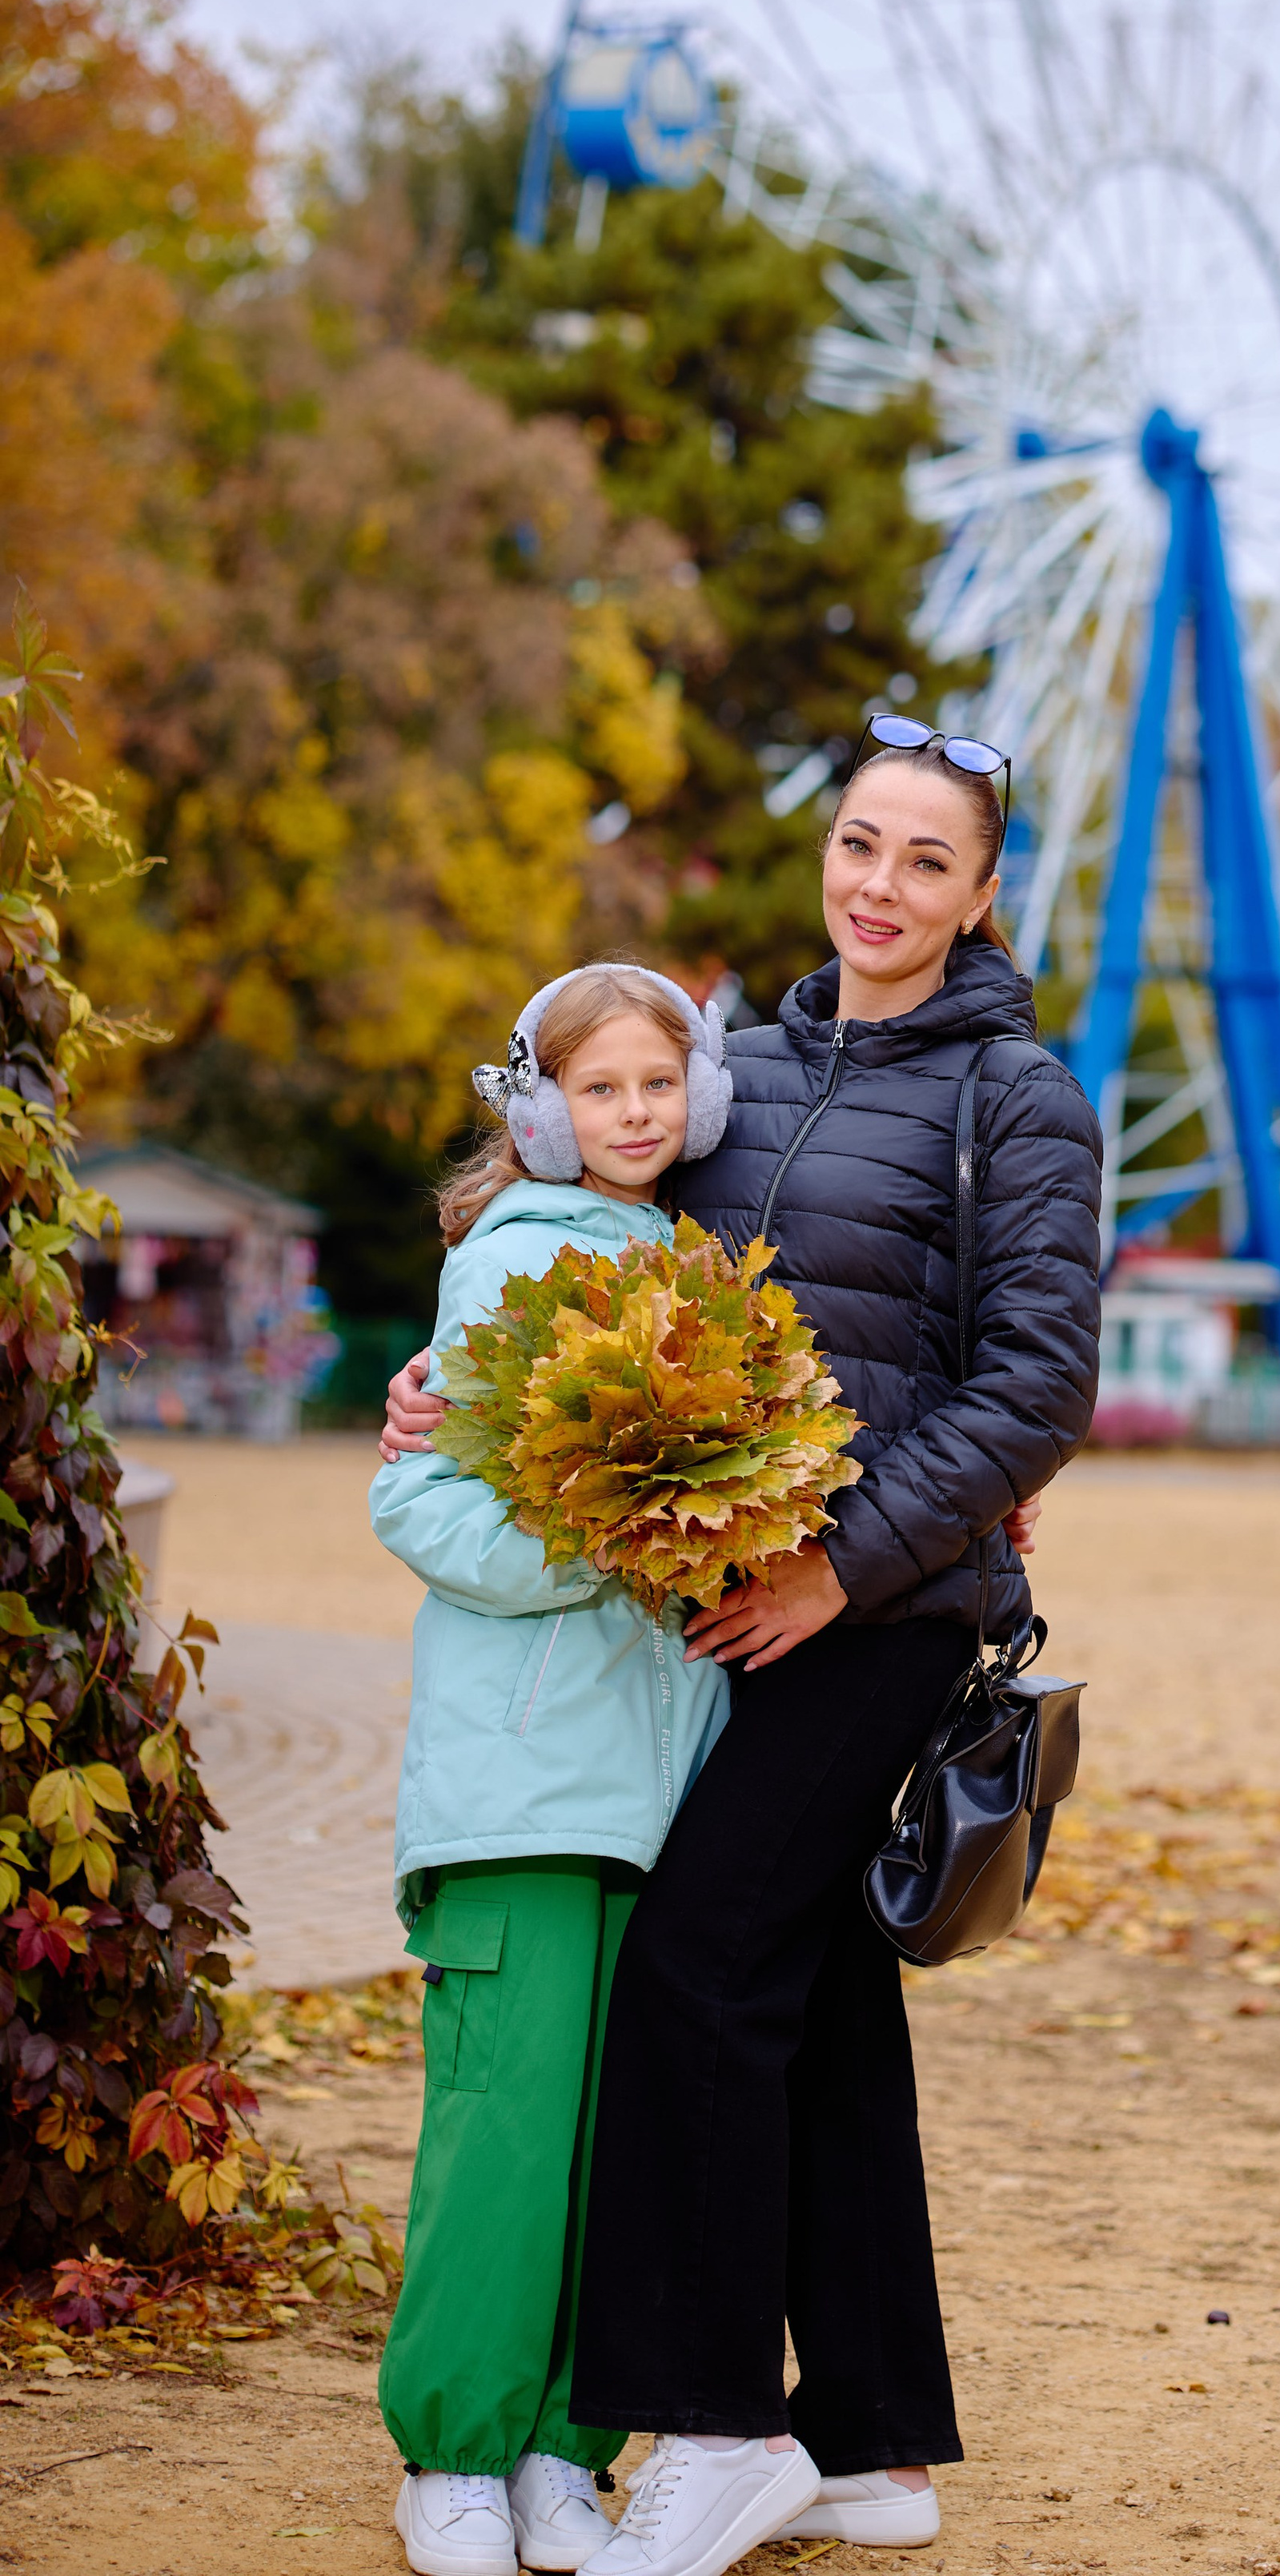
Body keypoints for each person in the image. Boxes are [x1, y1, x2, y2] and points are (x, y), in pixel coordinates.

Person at [383, 727, 1103, 2576]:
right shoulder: (736, 1075)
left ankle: (715, 2424)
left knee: (701, 1966)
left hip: (874, 1613)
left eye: (924, 861)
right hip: (724, 1619)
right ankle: (870, 2444)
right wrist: (455, 1396)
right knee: (820, 1998)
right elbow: (591, 1255)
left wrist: (836, 1573)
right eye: (859, 843)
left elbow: (1035, 1386)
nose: (879, 885)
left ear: (980, 891)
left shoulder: (1015, 1100)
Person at [372, 963, 735, 2576]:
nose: (636, 1113)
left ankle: (558, 2454)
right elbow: (423, 1510)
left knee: (619, 2140)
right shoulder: (505, 1266)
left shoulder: (705, 1269)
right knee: (505, 2126)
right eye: (601, 1089)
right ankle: (449, 2452)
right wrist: (607, 1535)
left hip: (666, 1791)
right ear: (539, 1107)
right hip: (524, 1777)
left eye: (660, 1083)